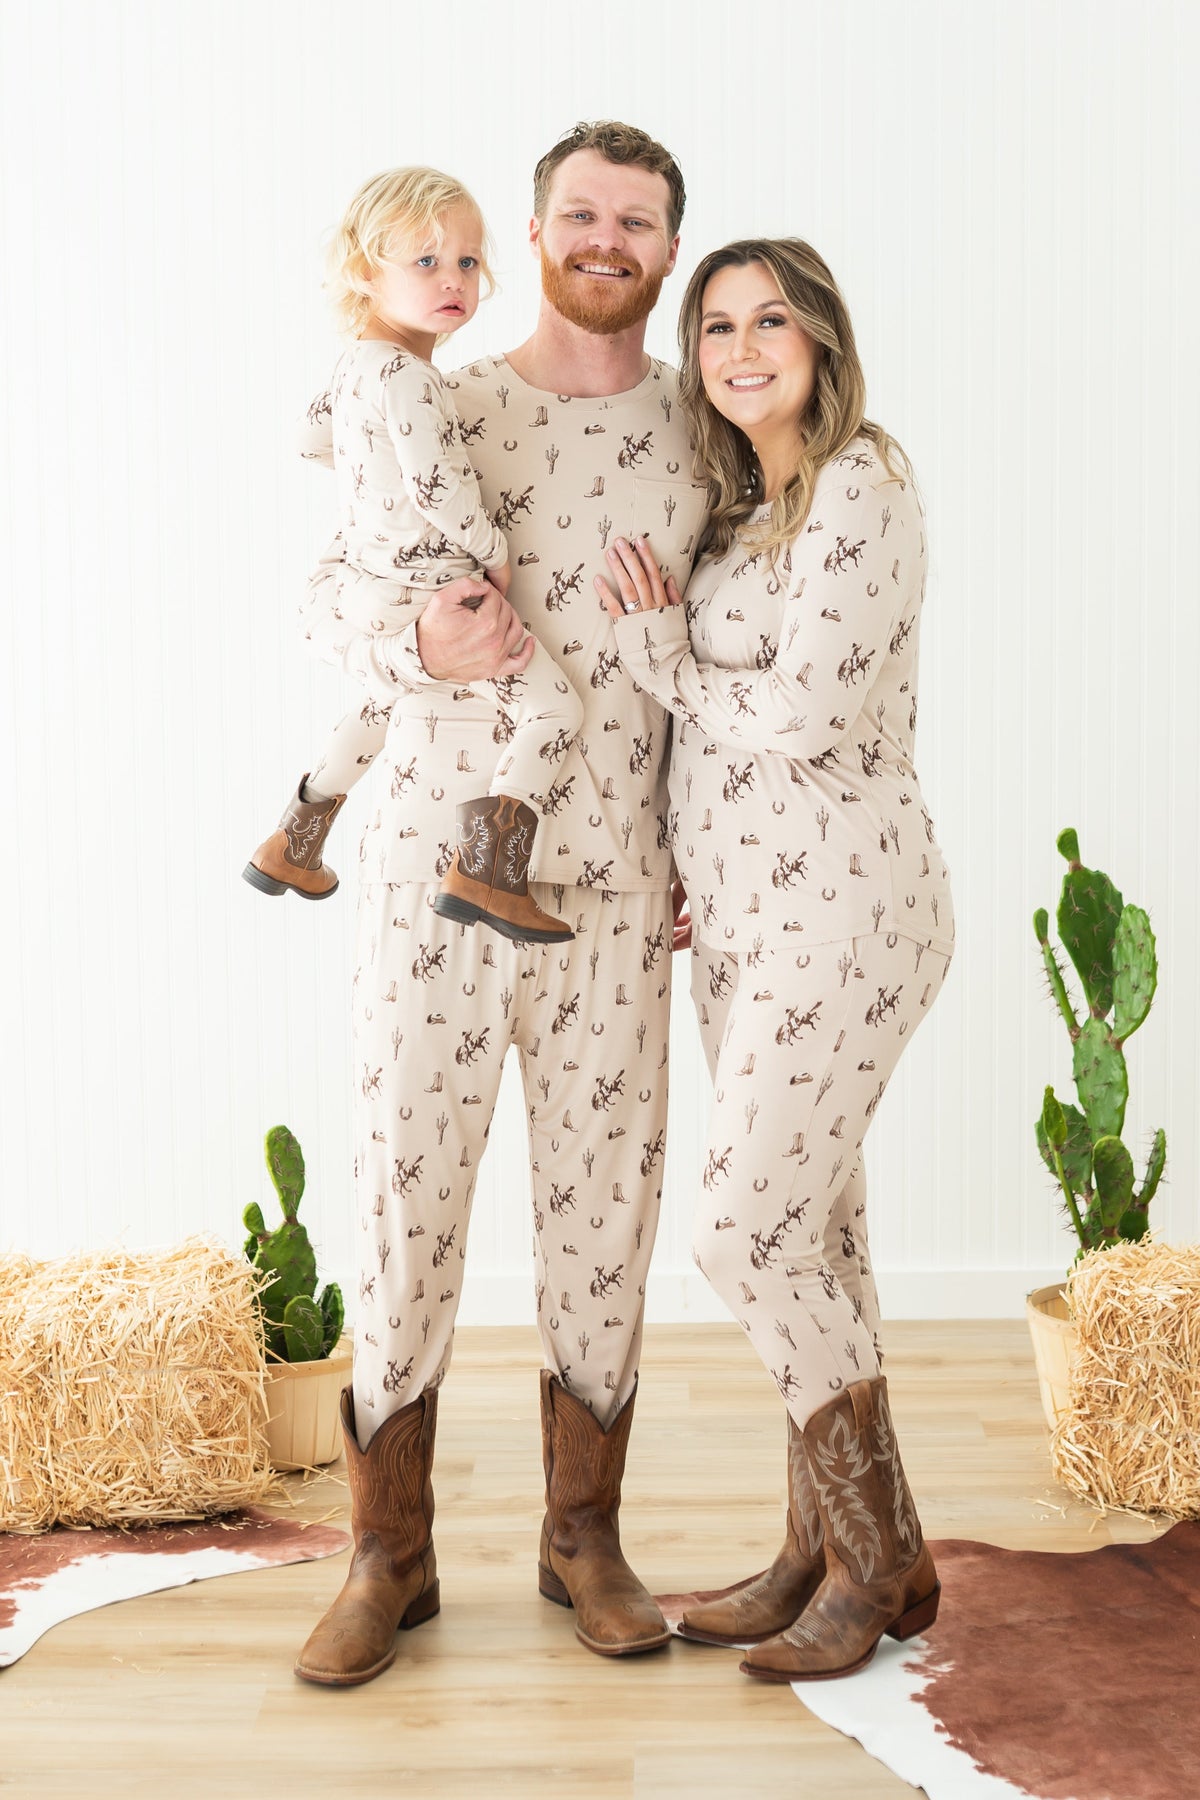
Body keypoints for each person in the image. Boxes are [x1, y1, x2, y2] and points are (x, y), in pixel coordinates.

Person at [290, 122, 709, 1687]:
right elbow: (329, 592)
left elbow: (729, 656)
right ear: (535, 233)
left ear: (670, 247)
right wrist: (419, 646)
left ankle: (578, 1535)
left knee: (606, 1212)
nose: (607, 238)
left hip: (614, 889)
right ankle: (387, 1554)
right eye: (580, 214)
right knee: (408, 1192)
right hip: (423, 876)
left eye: (639, 221)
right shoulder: (441, 400)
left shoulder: (707, 429)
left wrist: (711, 856)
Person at [598, 237, 955, 1682]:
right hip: (747, 923)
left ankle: (884, 1562)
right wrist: (694, 856)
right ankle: (812, 1546)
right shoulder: (749, 520)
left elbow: (802, 715)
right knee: (816, 1241)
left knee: (740, 1233)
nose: (742, 348)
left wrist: (657, 652)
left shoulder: (865, 485)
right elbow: (722, 742)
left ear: (820, 338)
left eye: (770, 321)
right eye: (719, 326)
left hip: (851, 913)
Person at [243, 166, 580, 943]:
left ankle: (296, 838)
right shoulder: (412, 375)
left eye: (466, 261)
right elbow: (438, 486)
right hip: (430, 584)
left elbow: (308, 439)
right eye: (424, 262)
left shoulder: (353, 366)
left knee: (378, 700)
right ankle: (491, 870)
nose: (453, 279)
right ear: (365, 272)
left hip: (372, 582)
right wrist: (494, 551)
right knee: (554, 707)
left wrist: (370, 479)